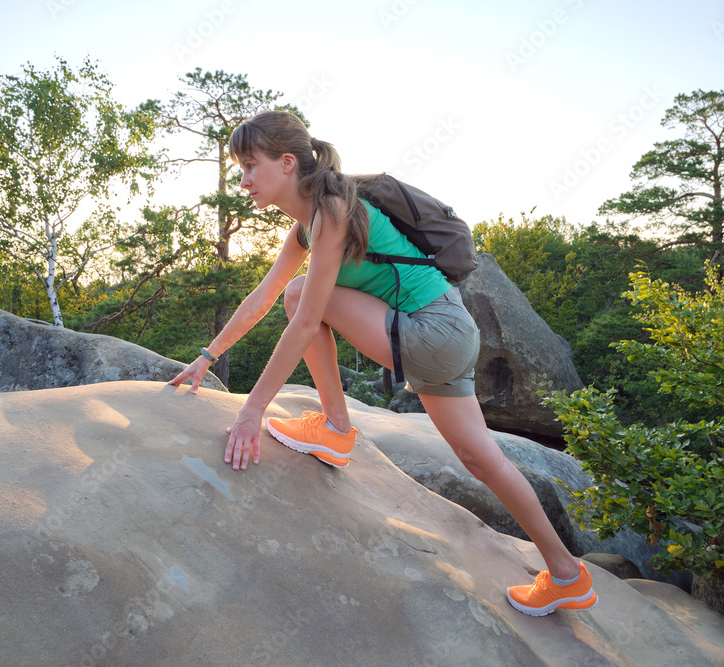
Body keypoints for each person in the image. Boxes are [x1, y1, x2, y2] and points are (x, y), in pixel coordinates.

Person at [167, 110, 597, 617]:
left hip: (430, 331)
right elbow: (263, 294)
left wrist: (250, 412)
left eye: (249, 166)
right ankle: (567, 573)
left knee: (306, 295)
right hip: (450, 332)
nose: (242, 181)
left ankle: (335, 427)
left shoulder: (330, 210)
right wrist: (207, 355)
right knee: (484, 460)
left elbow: (304, 322)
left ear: (286, 163)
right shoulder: (309, 225)